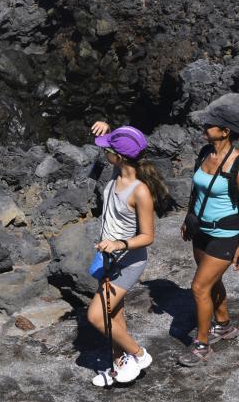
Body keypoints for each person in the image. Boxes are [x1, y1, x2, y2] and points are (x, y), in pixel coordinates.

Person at [87, 123, 168, 387]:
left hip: (127, 261)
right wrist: (107, 128)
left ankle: (139, 354)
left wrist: (118, 243)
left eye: (107, 150)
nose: (104, 154)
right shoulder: (118, 171)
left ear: (118, 157)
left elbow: (148, 236)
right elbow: (120, 143)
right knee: (114, 314)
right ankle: (119, 365)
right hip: (109, 257)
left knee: (96, 316)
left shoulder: (139, 190)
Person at [178, 96, 239, 367]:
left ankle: (201, 345)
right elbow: (197, 190)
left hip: (226, 234)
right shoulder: (205, 152)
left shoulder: (237, 164)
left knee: (199, 286)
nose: (204, 127)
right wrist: (188, 218)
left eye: (210, 124)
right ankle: (223, 325)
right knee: (211, 282)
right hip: (200, 229)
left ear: (225, 131)